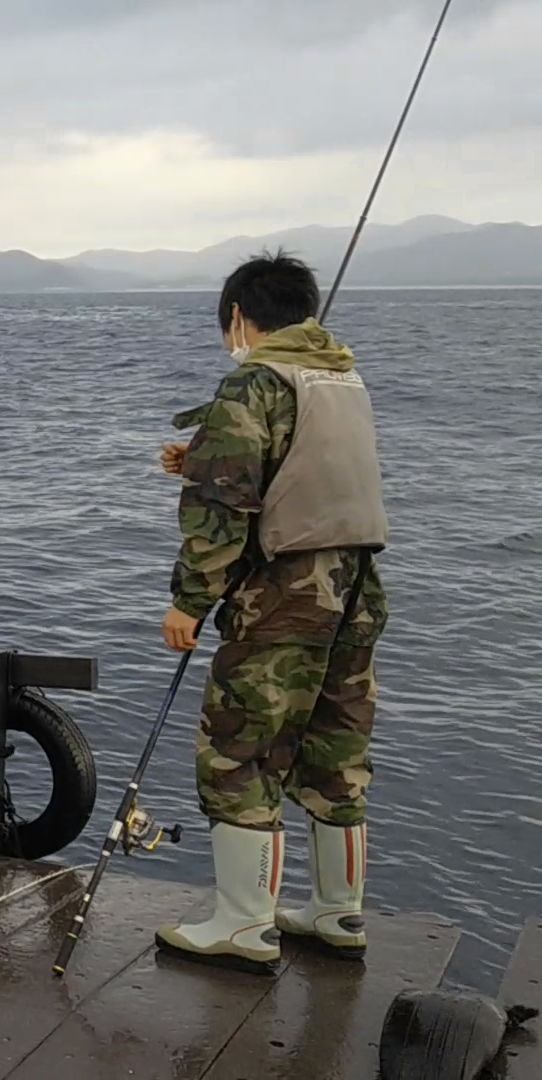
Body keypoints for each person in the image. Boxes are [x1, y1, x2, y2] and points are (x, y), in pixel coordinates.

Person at [152, 251, 388, 973]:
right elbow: (298, 469)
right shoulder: (344, 378)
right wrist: (198, 455)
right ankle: (337, 911)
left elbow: (222, 510)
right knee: (335, 748)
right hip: (356, 590)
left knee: (240, 750)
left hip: (283, 597)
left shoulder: (253, 381)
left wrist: (189, 602)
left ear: (238, 318)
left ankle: (245, 923)